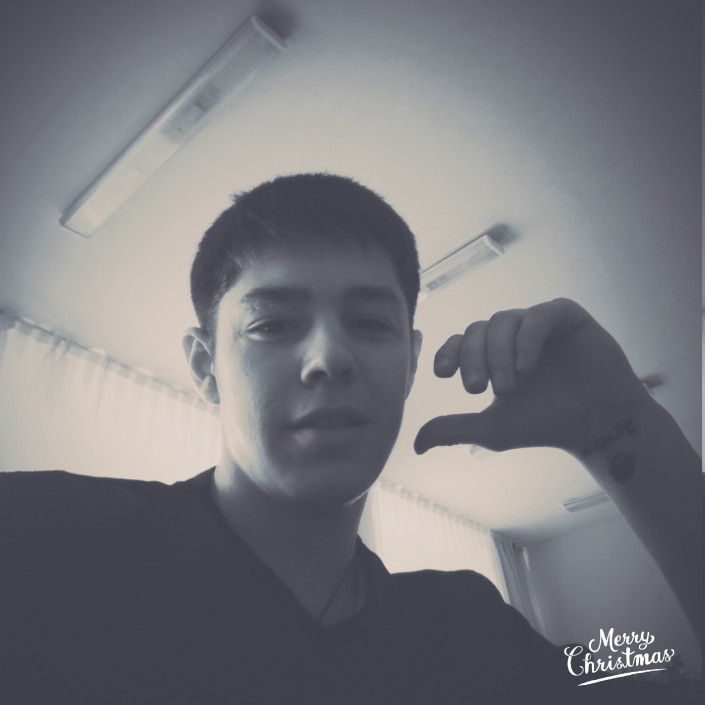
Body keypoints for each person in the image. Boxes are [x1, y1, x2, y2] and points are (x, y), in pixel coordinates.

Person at [0, 173, 701, 704]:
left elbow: (642, 666)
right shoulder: (42, 538)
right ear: (206, 366)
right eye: (273, 324)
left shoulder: (470, 628)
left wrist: (620, 423)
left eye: (369, 323)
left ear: (409, 363)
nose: (328, 357)